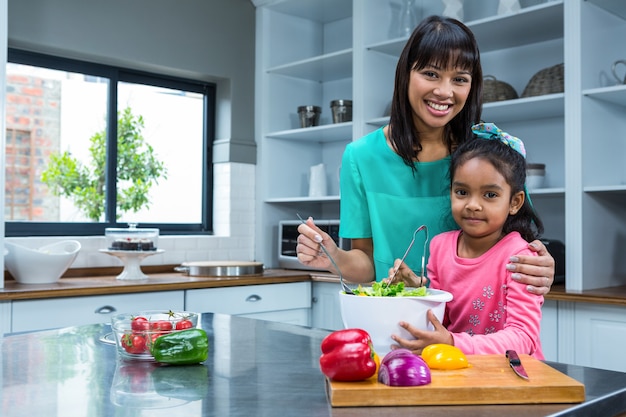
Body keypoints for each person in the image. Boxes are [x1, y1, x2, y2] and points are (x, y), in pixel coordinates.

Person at [296, 15, 554, 295]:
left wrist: (541, 267)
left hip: (475, 322)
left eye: (459, 79)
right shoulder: (360, 157)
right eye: (431, 74)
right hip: (400, 321)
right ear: (405, 74)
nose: (444, 92)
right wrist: (333, 256)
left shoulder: (495, 152)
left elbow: (521, 248)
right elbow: (367, 264)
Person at [390, 123, 544, 358]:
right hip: (460, 369)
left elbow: (524, 338)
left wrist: (453, 343)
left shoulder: (521, 257)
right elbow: (443, 319)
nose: (473, 204)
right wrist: (418, 292)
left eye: (490, 195)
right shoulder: (440, 247)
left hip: (514, 376)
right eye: (462, 192)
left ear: (515, 202)